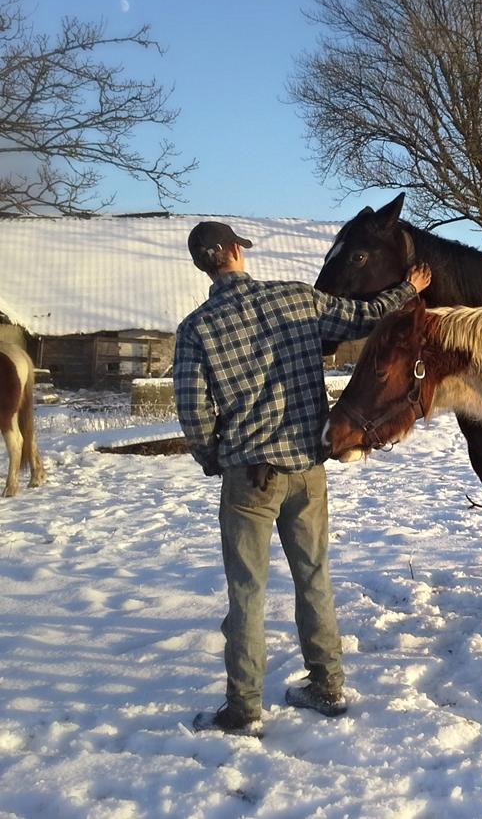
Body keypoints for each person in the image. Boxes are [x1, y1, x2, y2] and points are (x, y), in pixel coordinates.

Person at [174, 219, 430, 736]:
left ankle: (244, 710)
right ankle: (327, 684)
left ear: (205, 263)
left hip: (248, 477)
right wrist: (410, 288)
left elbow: (192, 409)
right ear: (234, 254)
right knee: (313, 577)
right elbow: (363, 317)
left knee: (247, 592)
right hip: (307, 469)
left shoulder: (196, 330)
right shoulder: (295, 300)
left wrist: (210, 455)